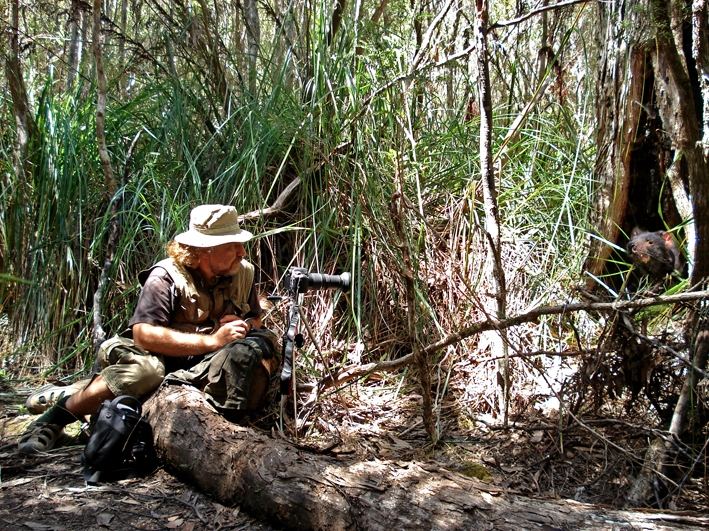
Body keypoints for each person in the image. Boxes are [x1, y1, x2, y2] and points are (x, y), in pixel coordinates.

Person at [19, 204, 278, 454]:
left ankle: (81, 390)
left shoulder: (242, 273)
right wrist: (213, 341)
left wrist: (241, 324)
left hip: (197, 364)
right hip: (153, 356)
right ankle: (54, 417)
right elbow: (143, 335)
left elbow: (257, 319)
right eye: (232, 245)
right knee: (147, 373)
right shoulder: (165, 277)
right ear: (204, 249)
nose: (242, 252)